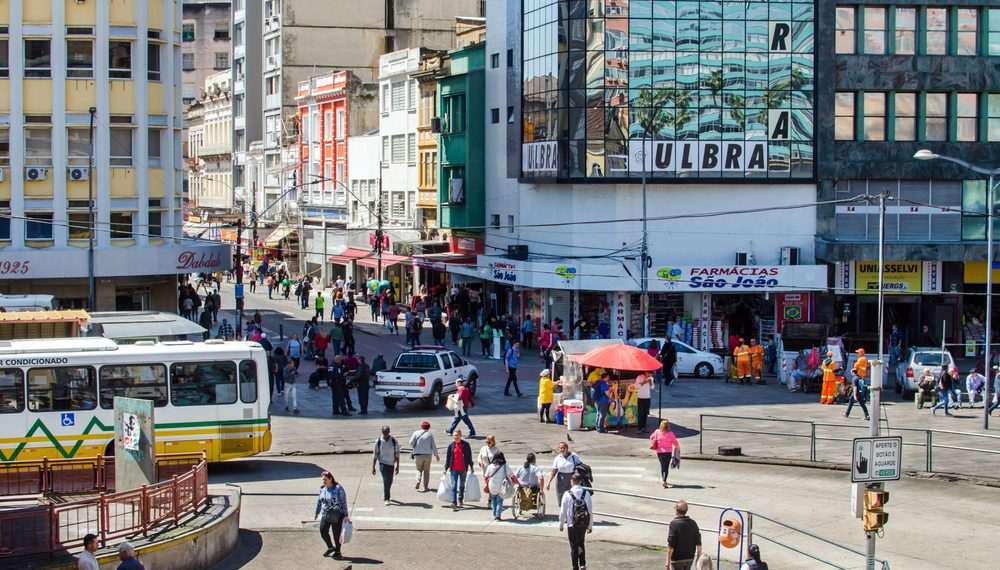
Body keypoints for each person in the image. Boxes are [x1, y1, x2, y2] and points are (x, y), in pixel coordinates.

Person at [559, 473, 593, 570]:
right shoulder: (586, 493)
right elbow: (590, 511)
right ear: (580, 481)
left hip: (572, 524)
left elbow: (563, 511)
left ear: (572, 481)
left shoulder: (567, 494)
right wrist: (590, 526)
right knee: (581, 543)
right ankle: (582, 564)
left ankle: (575, 567)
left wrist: (561, 524)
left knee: (574, 546)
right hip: (583, 523)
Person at [314, 470, 350, 559]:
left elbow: (343, 502)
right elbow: (319, 501)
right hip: (325, 514)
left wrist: (346, 515)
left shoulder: (338, 488)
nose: (323, 481)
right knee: (323, 531)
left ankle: (338, 552)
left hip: (337, 514)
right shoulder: (322, 489)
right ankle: (330, 547)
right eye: (323, 480)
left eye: (325, 479)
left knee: (336, 534)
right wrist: (317, 512)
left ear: (330, 479)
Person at [667, 500, 702, 570]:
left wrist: (667, 562)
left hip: (677, 559)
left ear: (676, 510)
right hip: (689, 558)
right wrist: (698, 558)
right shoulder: (693, 523)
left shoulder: (674, 524)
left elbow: (671, 544)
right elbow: (699, 543)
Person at [444, 430, 474, 510]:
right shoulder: (451, 445)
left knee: (462, 485)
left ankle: (460, 499)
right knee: (453, 486)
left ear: (460, 436)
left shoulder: (466, 445)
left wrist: (471, 467)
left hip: (463, 469)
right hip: (453, 469)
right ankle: (454, 502)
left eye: (457, 435)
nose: (455, 437)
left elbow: (469, 456)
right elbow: (448, 458)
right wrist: (446, 468)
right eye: (454, 435)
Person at [372, 425, 400, 505]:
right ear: (382, 432)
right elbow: (375, 454)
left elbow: (397, 453)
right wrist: (373, 467)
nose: (385, 434)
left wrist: (397, 466)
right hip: (383, 464)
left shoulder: (394, 441)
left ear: (389, 432)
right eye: (384, 432)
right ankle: (386, 498)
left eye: (387, 432)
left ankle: (386, 491)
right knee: (386, 480)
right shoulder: (378, 441)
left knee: (390, 481)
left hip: (391, 464)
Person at [409, 420, 439, 492]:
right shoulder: (430, 435)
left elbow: (410, 442)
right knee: (426, 471)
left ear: (421, 426)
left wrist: (415, 446)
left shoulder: (416, 433)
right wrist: (436, 455)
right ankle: (426, 487)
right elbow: (433, 446)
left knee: (418, 469)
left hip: (418, 455)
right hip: (428, 455)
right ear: (429, 427)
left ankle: (418, 480)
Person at [650, 420, 681, 488]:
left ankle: (663, 480)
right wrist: (677, 449)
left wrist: (655, 440)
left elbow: (651, 437)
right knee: (666, 467)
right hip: (668, 453)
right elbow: (676, 443)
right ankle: (664, 480)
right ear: (668, 426)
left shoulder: (657, 432)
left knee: (662, 466)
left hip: (660, 452)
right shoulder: (671, 434)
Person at [485, 452, 514, 520]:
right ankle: (498, 515)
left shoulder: (490, 466)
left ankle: (494, 513)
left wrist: (486, 484)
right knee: (499, 501)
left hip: (492, 486)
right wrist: (515, 482)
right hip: (501, 486)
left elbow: (486, 476)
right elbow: (511, 475)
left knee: (493, 500)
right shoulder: (505, 466)